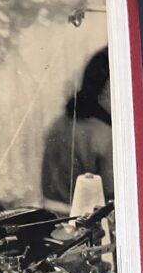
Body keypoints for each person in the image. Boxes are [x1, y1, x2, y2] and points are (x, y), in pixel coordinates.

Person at [42, 47, 113, 206]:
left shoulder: (59, 123)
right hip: (89, 223)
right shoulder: (104, 136)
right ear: (104, 88)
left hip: (53, 219)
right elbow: (112, 196)